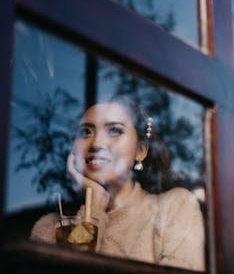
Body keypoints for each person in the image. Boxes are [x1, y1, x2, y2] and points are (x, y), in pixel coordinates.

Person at [31, 96, 205, 272]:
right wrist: (93, 208)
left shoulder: (174, 208)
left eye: (114, 130)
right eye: (85, 132)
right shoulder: (50, 229)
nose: (97, 143)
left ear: (140, 151)